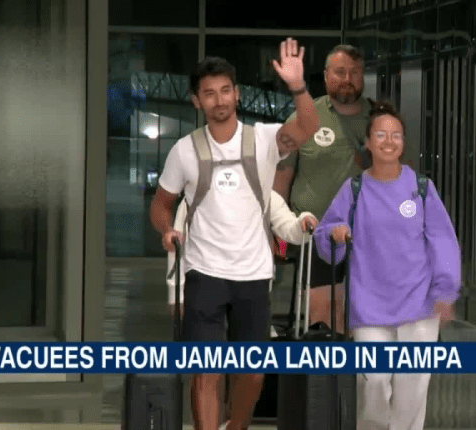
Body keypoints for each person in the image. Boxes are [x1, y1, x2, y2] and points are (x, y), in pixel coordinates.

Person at [150, 38, 319, 430]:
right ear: (196, 101)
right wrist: (166, 231)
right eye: (209, 93)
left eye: (225, 90)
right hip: (204, 272)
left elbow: (309, 126)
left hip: (254, 273)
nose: (219, 99)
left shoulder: (262, 140)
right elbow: (161, 204)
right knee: (207, 371)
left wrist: (297, 85)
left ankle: (235, 426)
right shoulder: (184, 151)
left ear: (237, 94)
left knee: (253, 373)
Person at [313, 100, 461, 430]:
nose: (388, 141)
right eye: (380, 134)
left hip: (419, 304)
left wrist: (445, 290)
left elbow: (443, 242)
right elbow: (325, 236)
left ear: (403, 142)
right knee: (374, 381)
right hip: (369, 304)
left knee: (413, 389)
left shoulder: (421, 189)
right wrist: (334, 235)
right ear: (367, 142)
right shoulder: (353, 190)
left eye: (396, 135)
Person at [272, 44, 372, 334]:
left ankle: (360, 378)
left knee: (365, 320)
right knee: (324, 322)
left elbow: (399, 176)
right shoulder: (304, 118)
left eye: (354, 72)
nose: (347, 78)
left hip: (366, 237)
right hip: (315, 236)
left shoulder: (379, 120)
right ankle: (330, 379)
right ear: (327, 76)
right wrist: (277, 234)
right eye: (340, 72)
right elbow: (281, 180)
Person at [166, 191, 318, 314]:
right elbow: (177, 245)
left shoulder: (266, 195)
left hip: (253, 287)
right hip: (206, 285)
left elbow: (290, 229)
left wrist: (303, 221)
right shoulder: (196, 194)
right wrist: (176, 295)